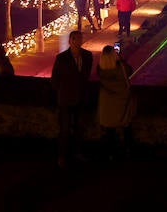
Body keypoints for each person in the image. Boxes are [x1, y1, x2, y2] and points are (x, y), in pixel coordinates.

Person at [49, 30, 93, 168]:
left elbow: (85, 76)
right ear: (70, 41)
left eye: (80, 39)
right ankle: (62, 156)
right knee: (65, 129)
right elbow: (55, 79)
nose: (78, 42)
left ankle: (78, 152)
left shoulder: (87, 56)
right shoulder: (61, 58)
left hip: (80, 98)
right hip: (66, 99)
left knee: (79, 128)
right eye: (75, 39)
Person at [96, 45, 135, 162]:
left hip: (107, 105)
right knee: (126, 127)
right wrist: (121, 59)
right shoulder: (121, 68)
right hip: (122, 102)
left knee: (109, 131)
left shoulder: (100, 71)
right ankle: (128, 151)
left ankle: (111, 154)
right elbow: (130, 71)